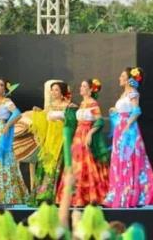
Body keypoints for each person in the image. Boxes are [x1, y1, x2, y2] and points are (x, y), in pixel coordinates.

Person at [104, 67, 153, 207]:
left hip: (129, 129)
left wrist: (127, 125)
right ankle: (119, 191)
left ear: (128, 79)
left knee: (129, 158)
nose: (120, 78)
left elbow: (137, 111)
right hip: (120, 128)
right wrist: (115, 111)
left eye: (122, 76)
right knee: (119, 159)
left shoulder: (133, 92)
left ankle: (131, 193)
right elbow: (124, 110)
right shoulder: (123, 94)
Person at [56, 79, 109, 206]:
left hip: (86, 134)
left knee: (88, 164)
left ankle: (89, 196)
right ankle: (75, 196)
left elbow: (100, 121)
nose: (81, 88)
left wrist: (91, 133)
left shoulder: (93, 103)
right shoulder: (82, 103)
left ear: (90, 90)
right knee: (76, 165)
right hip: (78, 136)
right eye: (81, 85)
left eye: (84, 86)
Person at [28, 80, 70, 206]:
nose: (53, 92)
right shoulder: (50, 107)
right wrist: (38, 113)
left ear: (62, 92)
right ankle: (43, 195)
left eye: (56, 89)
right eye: (52, 90)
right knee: (46, 166)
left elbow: (71, 121)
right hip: (50, 140)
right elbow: (44, 120)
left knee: (59, 166)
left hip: (62, 140)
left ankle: (58, 196)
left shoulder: (68, 105)